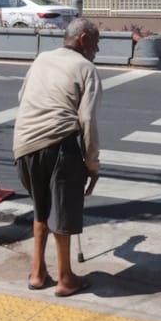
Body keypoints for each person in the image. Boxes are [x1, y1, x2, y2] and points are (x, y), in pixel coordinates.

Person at [13, 18, 102, 297]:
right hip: (59, 145)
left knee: (41, 209)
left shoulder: (42, 59)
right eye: (96, 43)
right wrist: (92, 165)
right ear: (84, 40)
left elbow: (22, 96)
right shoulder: (86, 68)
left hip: (24, 146)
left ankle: (37, 272)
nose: (97, 50)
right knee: (61, 212)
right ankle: (65, 278)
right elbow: (87, 120)